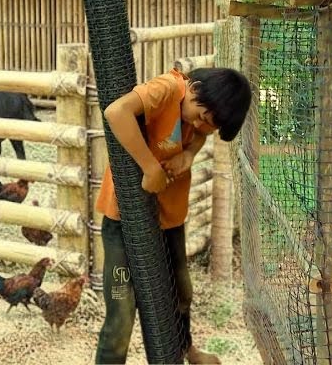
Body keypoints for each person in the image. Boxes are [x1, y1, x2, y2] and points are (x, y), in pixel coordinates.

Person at [94, 66, 252, 365]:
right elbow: (116, 112)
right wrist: (150, 166)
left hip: (168, 217)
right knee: (121, 313)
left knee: (181, 292)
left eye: (210, 126)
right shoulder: (167, 88)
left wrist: (189, 155)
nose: (202, 125)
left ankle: (187, 351)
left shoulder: (199, 114)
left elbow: (199, 134)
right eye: (201, 117)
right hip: (124, 218)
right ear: (194, 88)